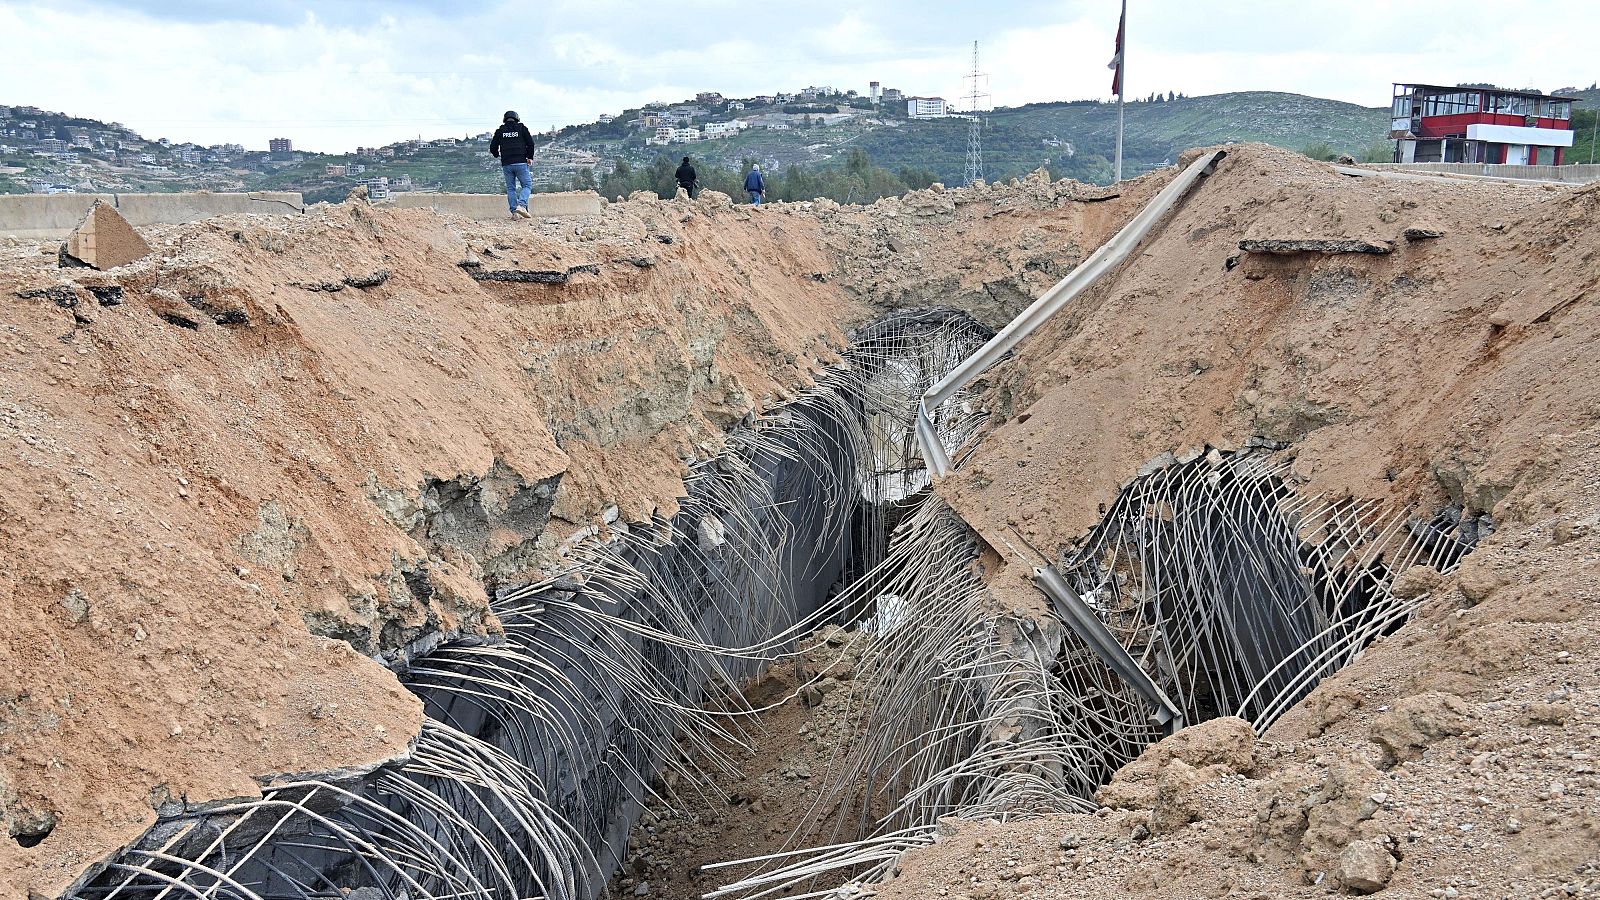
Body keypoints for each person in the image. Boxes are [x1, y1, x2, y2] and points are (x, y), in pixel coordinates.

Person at [490, 111, 536, 219]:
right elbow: (531, 143)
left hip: (506, 164)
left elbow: (493, 147)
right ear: (517, 119)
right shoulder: (521, 128)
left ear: (505, 119)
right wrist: (530, 157)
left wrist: (497, 155)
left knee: (511, 188)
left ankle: (514, 213)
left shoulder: (500, 131)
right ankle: (522, 205)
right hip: (520, 162)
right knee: (527, 185)